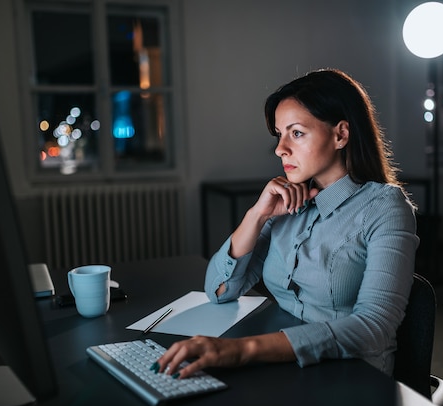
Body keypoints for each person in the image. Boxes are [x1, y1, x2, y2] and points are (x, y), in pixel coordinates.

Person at [155, 68, 419, 379]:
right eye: (279, 134)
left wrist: (242, 350)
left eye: (296, 133)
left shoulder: (385, 207)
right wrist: (257, 214)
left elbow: (374, 328)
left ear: (340, 134)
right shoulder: (291, 204)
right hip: (285, 362)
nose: (281, 148)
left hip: (353, 376)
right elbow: (220, 290)